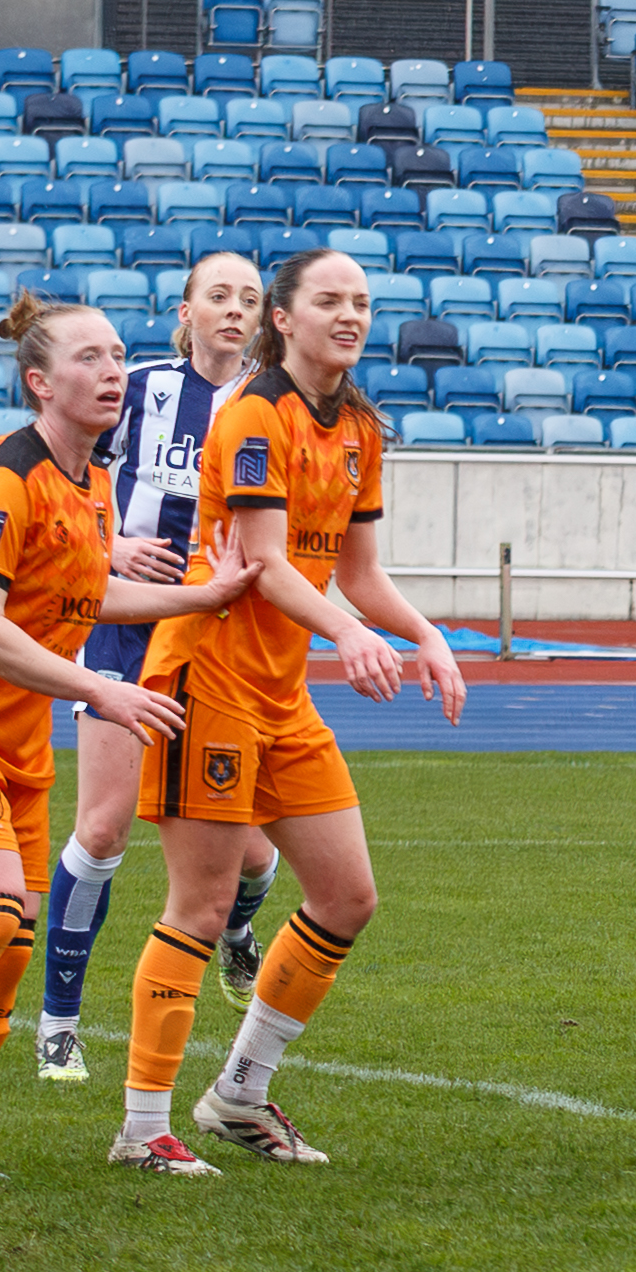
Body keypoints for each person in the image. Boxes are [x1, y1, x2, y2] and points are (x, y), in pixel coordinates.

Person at [0, 293, 253, 1191]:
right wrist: (101, 689)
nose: (113, 369)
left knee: (15, 942)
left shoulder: (92, 483)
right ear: (39, 382)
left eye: (117, 354)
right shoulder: (7, 475)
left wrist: (202, 595)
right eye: (88, 357)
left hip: (15, 745)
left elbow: (87, 599)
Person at [114, 248, 468, 1176]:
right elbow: (266, 564)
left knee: (347, 895)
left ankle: (237, 1094)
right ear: (285, 317)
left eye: (361, 301)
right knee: (197, 907)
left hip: (279, 690)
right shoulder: (255, 416)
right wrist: (350, 636)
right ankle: (141, 1124)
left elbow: (356, 572)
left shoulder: (359, 422)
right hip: (208, 678)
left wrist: (424, 634)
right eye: (330, 301)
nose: (350, 315)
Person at [34, 251, 285, 1087]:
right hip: (125, 636)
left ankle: (240, 932)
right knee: (102, 829)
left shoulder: (269, 410)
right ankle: (59, 1023)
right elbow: (60, 472)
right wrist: (109, 547)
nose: (232, 310)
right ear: (185, 310)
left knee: (253, 857)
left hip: (221, 642)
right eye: (217, 295)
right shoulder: (135, 386)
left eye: (248, 299)